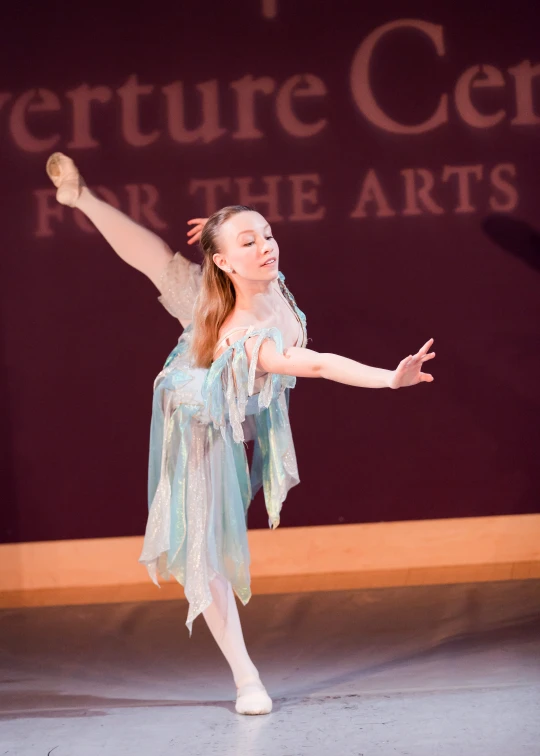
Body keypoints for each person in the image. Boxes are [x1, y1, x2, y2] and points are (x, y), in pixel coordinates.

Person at [44, 152, 436, 715]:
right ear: (224, 264)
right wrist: (389, 381)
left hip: (229, 347)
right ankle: (245, 676)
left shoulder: (258, 279)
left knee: (169, 269)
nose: (267, 246)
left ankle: (82, 199)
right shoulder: (243, 331)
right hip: (198, 409)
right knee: (205, 550)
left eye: (268, 235)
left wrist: (225, 232)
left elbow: (239, 254)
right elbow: (319, 363)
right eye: (249, 243)